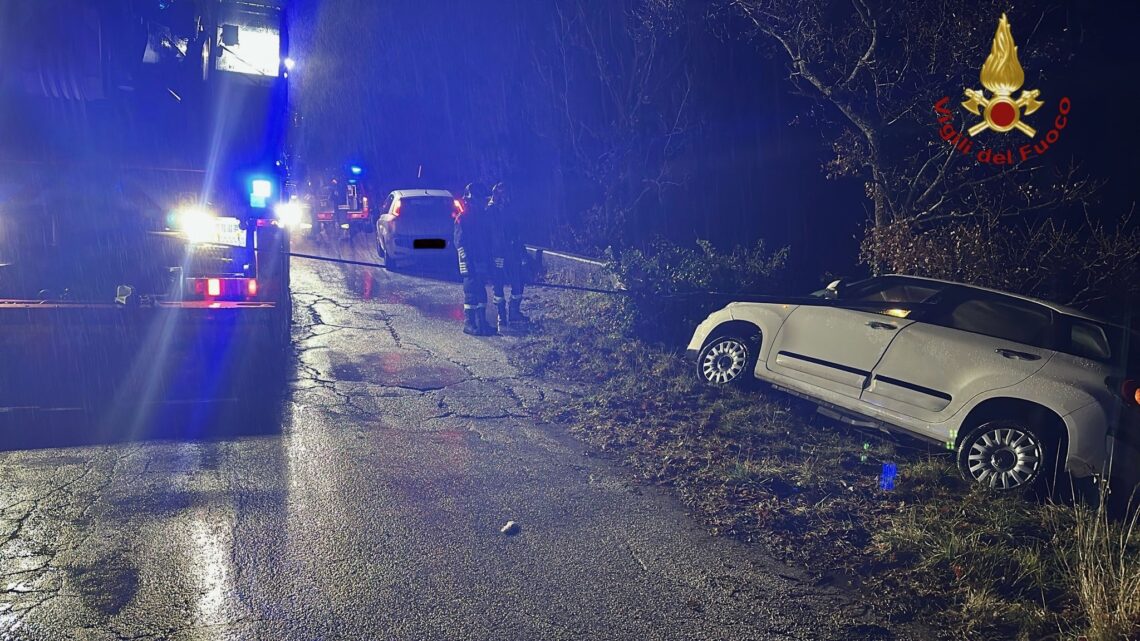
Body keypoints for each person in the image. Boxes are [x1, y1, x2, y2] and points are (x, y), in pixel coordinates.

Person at [454, 182, 496, 336]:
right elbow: (459, 242)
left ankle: (482, 322)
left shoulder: (483, 217)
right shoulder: (463, 218)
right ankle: (469, 323)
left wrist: (490, 258)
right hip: (470, 260)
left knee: (481, 292)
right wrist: (466, 260)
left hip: (481, 258)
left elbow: (488, 239)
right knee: (471, 291)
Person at [487, 182, 529, 331]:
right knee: (498, 283)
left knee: (518, 281)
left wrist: (521, 251)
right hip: (497, 253)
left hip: (512, 252)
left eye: (505, 194)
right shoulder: (490, 211)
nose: (504, 197)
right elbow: (488, 234)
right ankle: (501, 314)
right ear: (495, 194)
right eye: (501, 194)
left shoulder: (509, 209)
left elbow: (516, 232)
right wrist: (491, 254)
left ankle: (514, 312)